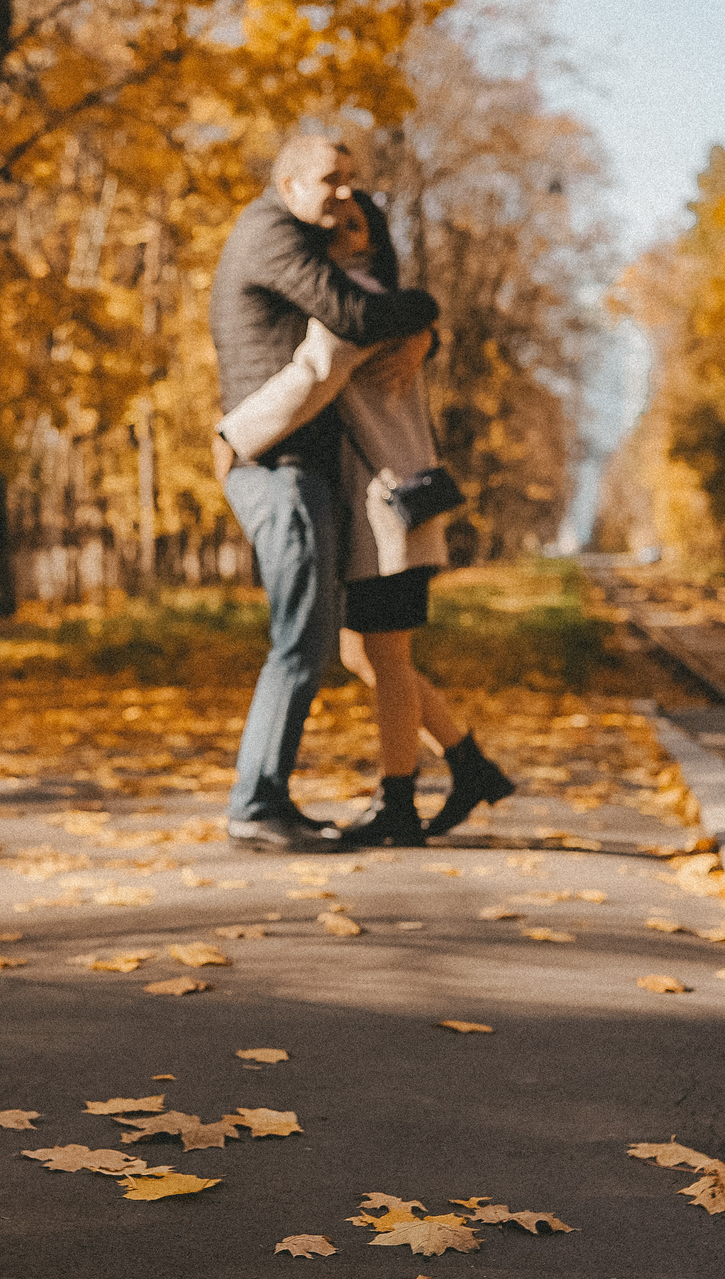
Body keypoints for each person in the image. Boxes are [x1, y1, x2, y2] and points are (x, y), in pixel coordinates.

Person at [217, 194, 514, 845]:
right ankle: (468, 764)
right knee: (366, 653)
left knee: (384, 654)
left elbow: (312, 376)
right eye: (333, 222)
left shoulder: (358, 310)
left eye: (354, 226)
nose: (336, 233)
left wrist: (233, 436)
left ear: (373, 241)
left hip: (389, 511)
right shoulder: (385, 310)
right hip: (389, 509)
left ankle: (400, 802)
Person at [208, 133, 438, 852]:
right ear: (287, 181)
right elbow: (354, 319)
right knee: (303, 643)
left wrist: (422, 331)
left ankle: (269, 796)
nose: (345, 195)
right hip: (276, 462)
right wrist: (426, 308)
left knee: (320, 643)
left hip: (296, 465)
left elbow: (365, 313)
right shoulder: (272, 235)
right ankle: (255, 802)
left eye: (352, 182)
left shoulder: (296, 235)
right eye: (331, 182)